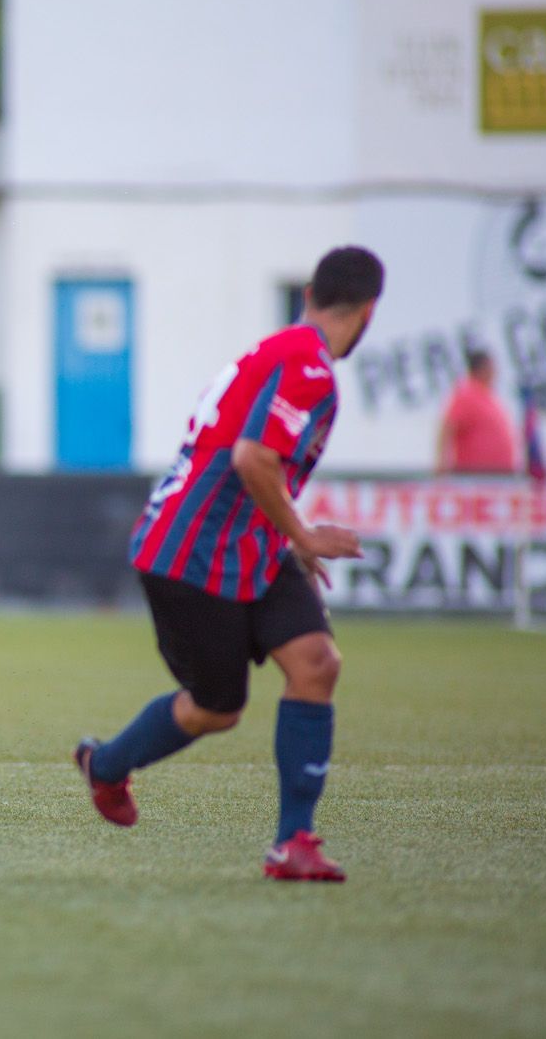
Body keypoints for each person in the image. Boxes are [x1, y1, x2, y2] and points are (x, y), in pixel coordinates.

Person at [76, 245, 385, 882]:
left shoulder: (281, 349)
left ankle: (293, 842)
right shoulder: (311, 367)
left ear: (308, 296)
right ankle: (105, 766)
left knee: (316, 663)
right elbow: (252, 458)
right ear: (370, 312)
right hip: (189, 551)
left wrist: (285, 538)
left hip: (253, 546)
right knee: (218, 708)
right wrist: (301, 533)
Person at [436, 349, 517, 474]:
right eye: (491, 367)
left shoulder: (486, 394)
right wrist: (441, 463)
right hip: (475, 475)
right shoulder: (466, 394)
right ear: (481, 369)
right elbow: (448, 427)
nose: (495, 372)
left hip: (498, 474)